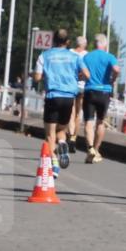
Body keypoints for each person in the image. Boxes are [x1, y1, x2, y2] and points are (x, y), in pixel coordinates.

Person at [34, 29, 80, 174]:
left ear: (53, 41)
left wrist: (45, 77)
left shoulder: (44, 56)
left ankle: (54, 164)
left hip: (53, 96)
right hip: (68, 97)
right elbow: (86, 74)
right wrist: (74, 77)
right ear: (68, 42)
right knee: (62, 129)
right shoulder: (75, 57)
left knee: (50, 133)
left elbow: (36, 77)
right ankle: (62, 143)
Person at [79, 33, 120, 163]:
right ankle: (96, 150)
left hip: (90, 90)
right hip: (104, 92)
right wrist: (112, 79)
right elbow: (117, 70)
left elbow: (81, 74)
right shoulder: (110, 57)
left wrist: (84, 77)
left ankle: (90, 148)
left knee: (88, 123)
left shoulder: (87, 57)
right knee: (100, 122)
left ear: (94, 44)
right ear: (105, 44)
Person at [66, 35, 89, 153]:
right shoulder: (87, 55)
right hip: (82, 87)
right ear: (84, 44)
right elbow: (87, 71)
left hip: (71, 85)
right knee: (78, 113)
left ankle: (70, 136)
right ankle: (74, 137)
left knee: (71, 111)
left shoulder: (69, 52)